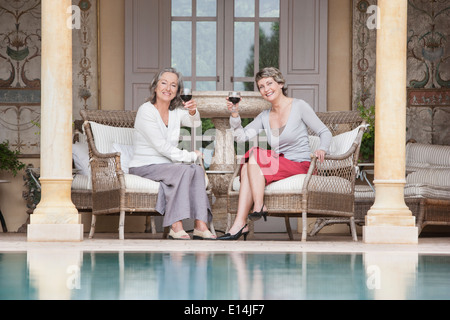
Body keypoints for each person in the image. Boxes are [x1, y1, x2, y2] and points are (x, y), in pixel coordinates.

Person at [217, 67, 332, 241]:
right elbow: (240, 137)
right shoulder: (264, 116)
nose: (266, 89)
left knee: (253, 155)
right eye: (261, 86)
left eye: (269, 83)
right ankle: (240, 223)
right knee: (249, 162)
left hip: (300, 164)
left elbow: (325, 132)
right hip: (279, 164)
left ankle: (256, 207)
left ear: (280, 84)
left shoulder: (299, 106)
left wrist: (322, 148)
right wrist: (234, 113)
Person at [128, 67, 215, 240]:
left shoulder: (175, 113)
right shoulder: (146, 111)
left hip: (167, 167)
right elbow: (162, 147)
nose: (168, 88)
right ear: (155, 87)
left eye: (173, 85)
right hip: (144, 166)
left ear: (177, 92)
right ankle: (176, 225)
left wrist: (192, 111)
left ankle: (200, 225)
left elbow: (194, 123)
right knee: (185, 169)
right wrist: (192, 155)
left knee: (196, 170)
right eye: (164, 83)